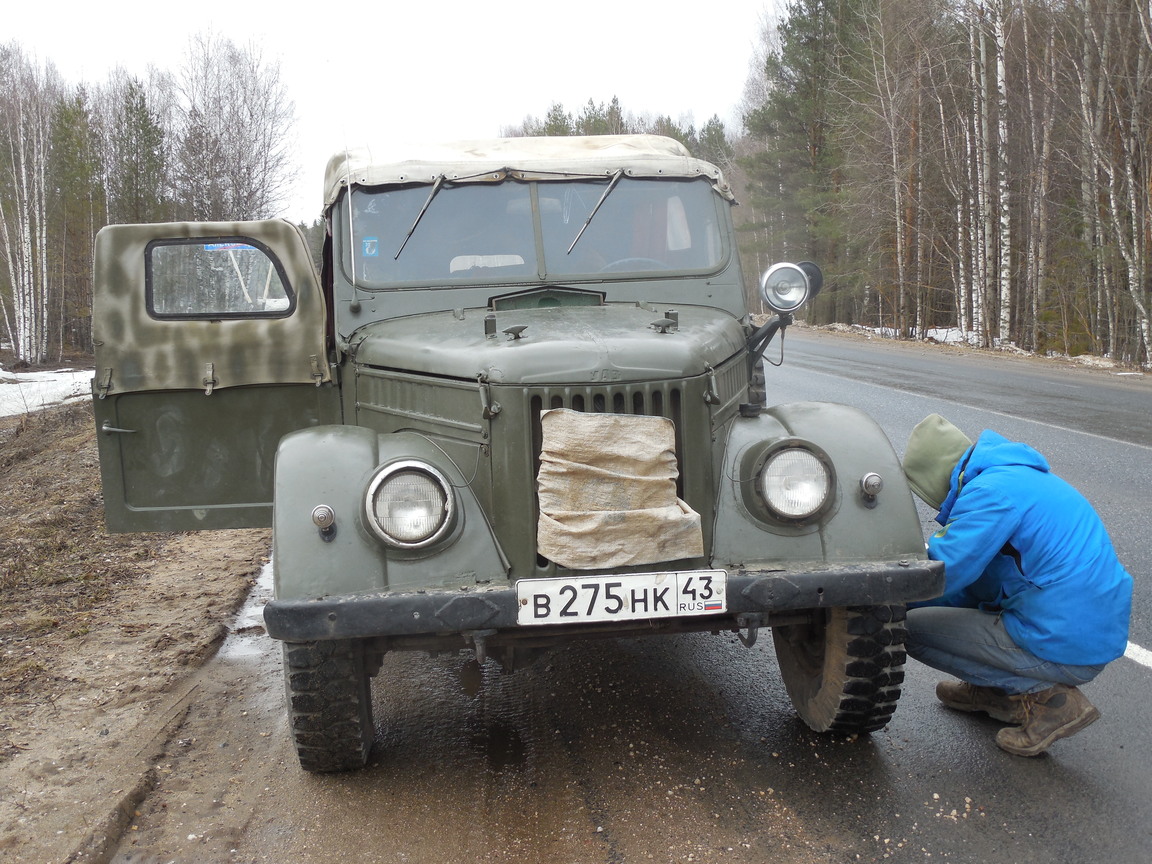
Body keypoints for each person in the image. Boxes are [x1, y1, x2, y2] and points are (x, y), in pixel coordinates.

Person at [901, 414, 1133, 756]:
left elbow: (942, 571)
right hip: (1089, 632)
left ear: (938, 476)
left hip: (1062, 640)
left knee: (906, 629)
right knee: (951, 611)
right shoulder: (1015, 476)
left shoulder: (990, 493)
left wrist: (885, 604)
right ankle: (995, 694)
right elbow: (976, 589)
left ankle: (1049, 702)